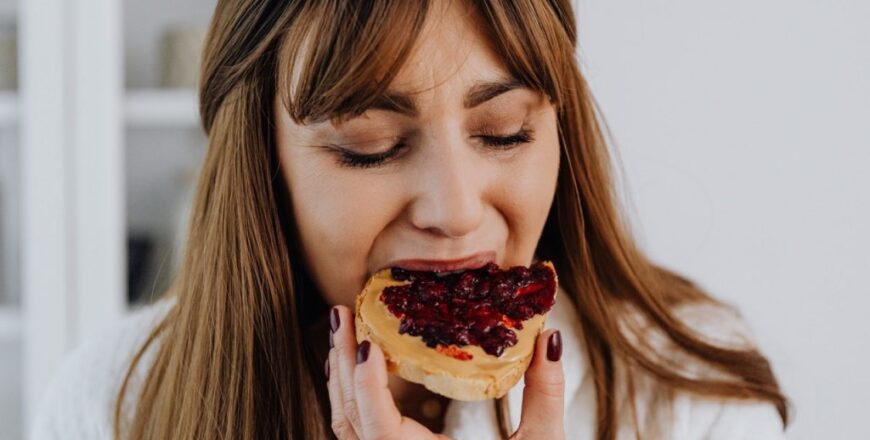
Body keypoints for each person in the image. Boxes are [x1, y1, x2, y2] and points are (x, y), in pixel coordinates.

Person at [31, 0, 791, 439]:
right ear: (262, 165)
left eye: (505, 133)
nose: (457, 211)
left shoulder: (693, 396)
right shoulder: (111, 406)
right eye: (371, 148)